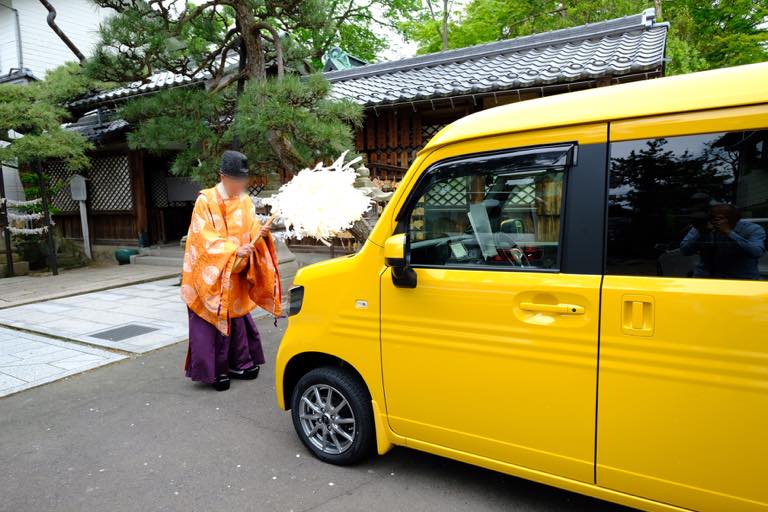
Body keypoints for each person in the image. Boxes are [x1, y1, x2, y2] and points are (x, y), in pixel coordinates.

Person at [181, 150, 282, 391]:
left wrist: (260, 239)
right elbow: (202, 239)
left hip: (236, 272)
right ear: (222, 176)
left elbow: (252, 229)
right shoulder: (205, 201)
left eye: (243, 181)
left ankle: (240, 363)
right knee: (212, 316)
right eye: (236, 180)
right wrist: (234, 251)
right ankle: (215, 371)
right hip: (211, 273)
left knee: (236, 315)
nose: (240, 185)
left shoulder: (245, 201)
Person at [680, 203, 766, 280]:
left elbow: (756, 252)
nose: (715, 221)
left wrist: (729, 232)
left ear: (734, 219)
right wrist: (702, 232)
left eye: (719, 218)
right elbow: (684, 251)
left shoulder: (752, 229)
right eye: (712, 218)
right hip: (706, 277)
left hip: (740, 278)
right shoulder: (702, 227)